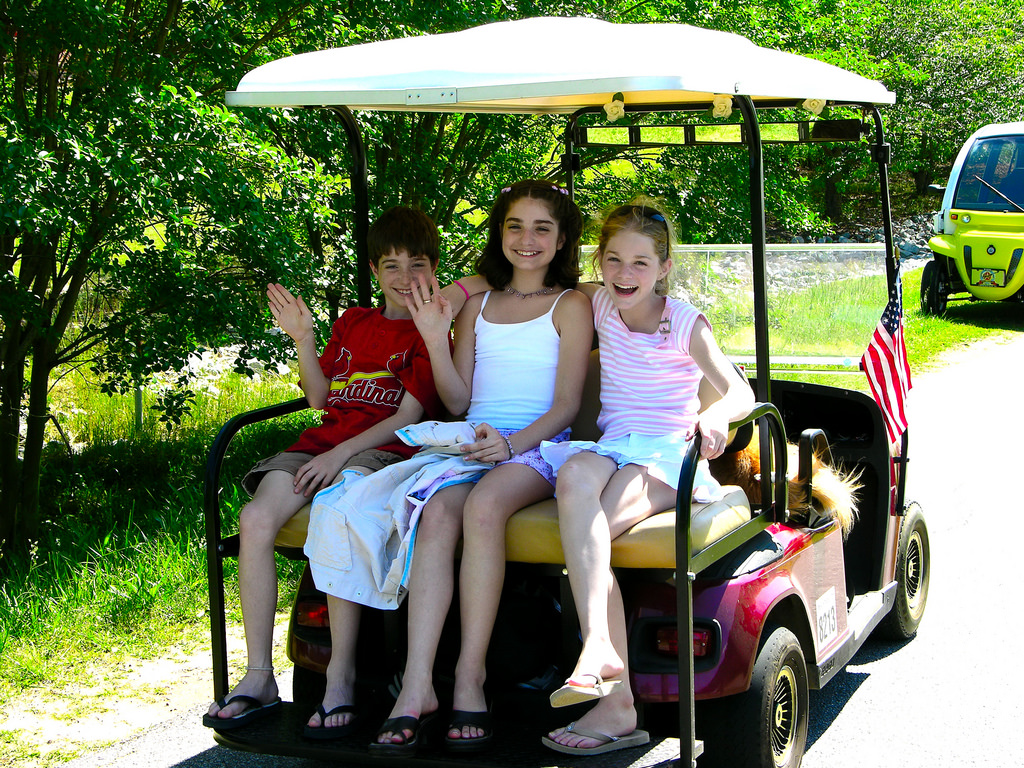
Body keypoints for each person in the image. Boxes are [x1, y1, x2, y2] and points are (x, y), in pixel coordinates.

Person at [361, 179, 594, 754]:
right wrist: (436, 344)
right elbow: (460, 400)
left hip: (536, 447)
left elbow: (565, 406)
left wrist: (511, 446)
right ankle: (418, 684)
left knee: (485, 506)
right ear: (499, 232)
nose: (527, 239)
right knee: (437, 513)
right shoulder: (478, 305)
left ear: (562, 238)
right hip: (472, 439)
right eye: (515, 225)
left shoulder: (571, 305)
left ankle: (470, 677)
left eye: (543, 227)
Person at [203, 206, 448, 733]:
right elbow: (320, 397)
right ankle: (260, 675)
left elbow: (407, 416)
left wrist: (337, 457)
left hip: (384, 450)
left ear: (434, 268)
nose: (405, 280)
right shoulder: (355, 322)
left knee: (333, 515)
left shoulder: (431, 332)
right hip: (323, 444)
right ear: (374, 270)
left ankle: (339, 678)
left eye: (418, 265)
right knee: (254, 520)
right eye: (391, 267)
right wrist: (302, 338)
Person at [539, 202, 755, 756]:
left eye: (640, 262)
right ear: (600, 262)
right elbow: (532, 279)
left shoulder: (683, 320)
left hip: (664, 453)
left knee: (591, 537)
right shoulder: (601, 303)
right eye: (613, 260)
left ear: (663, 267)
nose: (624, 273)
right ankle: (603, 664)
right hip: (612, 446)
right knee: (572, 481)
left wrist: (715, 414)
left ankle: (612, 694)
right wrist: (458, 291)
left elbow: (740, 393)